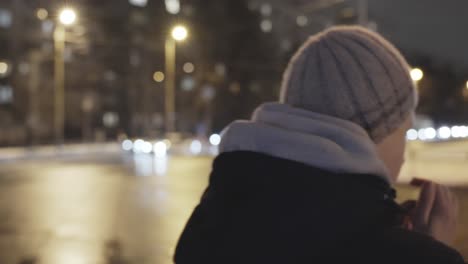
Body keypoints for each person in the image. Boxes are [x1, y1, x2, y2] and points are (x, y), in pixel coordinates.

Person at [174, 26, 464, 263]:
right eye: (404, 130)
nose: (402, 156)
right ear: (376, 131)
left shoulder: (214, 221)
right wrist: (428, 251)